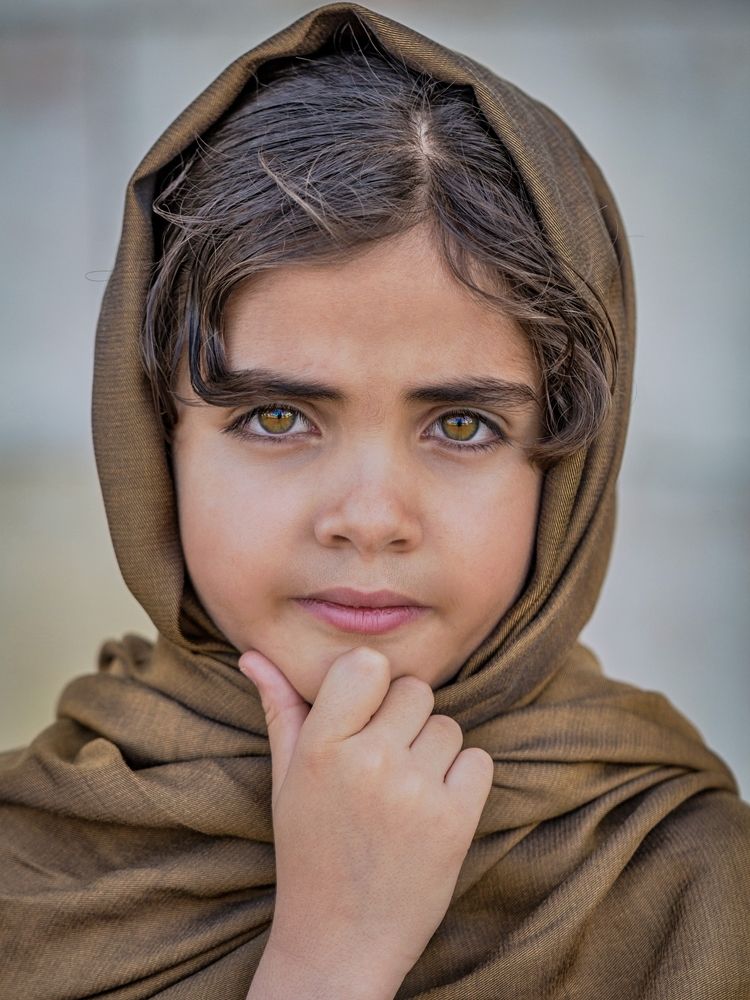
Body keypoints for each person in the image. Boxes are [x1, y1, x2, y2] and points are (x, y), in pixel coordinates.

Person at [1, 4, 748, 999]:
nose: (369, 515)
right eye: (275, 415)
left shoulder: (689, 878)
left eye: (463, 426)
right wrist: (328, 960)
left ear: (564, 465)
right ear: (154, 435)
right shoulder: (33, 862)